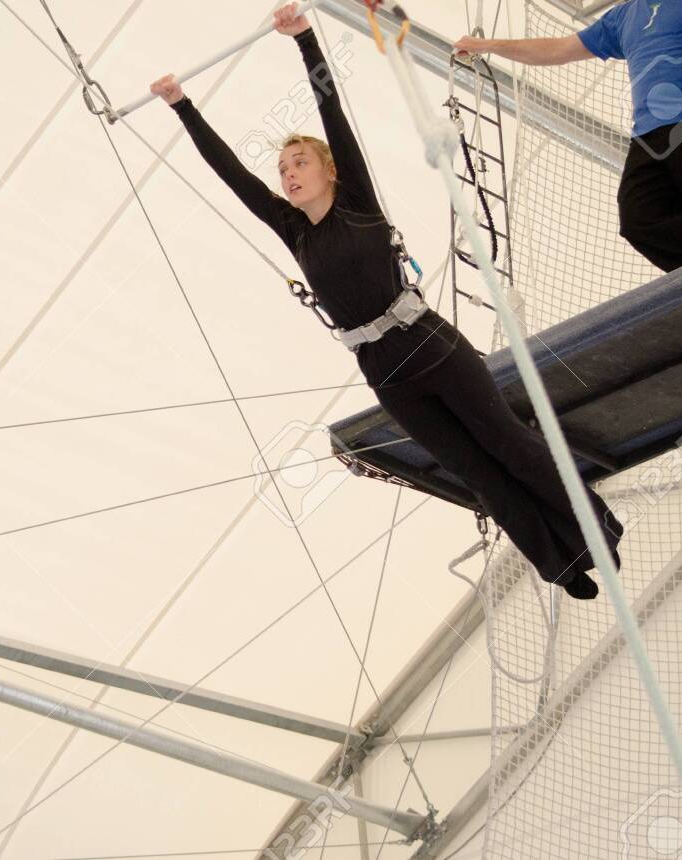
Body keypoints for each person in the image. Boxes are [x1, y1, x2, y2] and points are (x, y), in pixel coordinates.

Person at [150, 4, 622, 599]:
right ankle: (559, 563)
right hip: (384, 373)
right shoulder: (291, 229)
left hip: (430, 345)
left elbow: (331, 110)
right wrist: (182, 106)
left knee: (507, 444)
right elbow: (231, 174)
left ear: (329, 171)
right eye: (283, 168)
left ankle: (596, 532)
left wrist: (305, 41)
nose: (289, 174)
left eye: (300, 162)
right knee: (476, 473)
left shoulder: (357, 201)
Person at [455, 0, 682, 273]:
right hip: (648, 134)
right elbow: (557, 49)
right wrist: (489, 45)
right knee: (638, 217)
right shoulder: (623, 17)